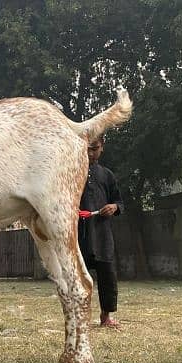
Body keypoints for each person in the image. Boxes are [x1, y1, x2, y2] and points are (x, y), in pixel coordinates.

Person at [78, 136, 124, 328]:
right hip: (80, 234)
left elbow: (120, 202)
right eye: (87, 149)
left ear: (102, 148)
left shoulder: (107, 175)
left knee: (108, 278)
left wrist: (114, 207)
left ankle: (106, 317)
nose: (90, 153)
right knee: (79, 280)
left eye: (94, 149)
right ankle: (79, 318)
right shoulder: (73, 173)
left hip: (103, 235)